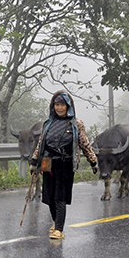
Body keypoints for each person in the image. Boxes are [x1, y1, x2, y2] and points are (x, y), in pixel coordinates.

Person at [29, 91, 98, 240]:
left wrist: (93, 161)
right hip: (48, 163)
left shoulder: (76, 124)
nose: (60, 108)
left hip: (65, 164)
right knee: (49, 197)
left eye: (63, 105)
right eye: (57, 104)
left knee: (59, 197)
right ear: (53, 106)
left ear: (69, 106)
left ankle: (59, 229)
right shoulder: (48, 123)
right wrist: (34, 162)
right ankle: (56, 223)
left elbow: (84, 144)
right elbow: (41, 143)